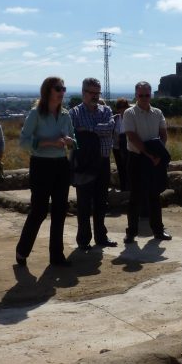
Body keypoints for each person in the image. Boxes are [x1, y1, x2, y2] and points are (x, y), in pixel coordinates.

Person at [15, 77, 74, 267]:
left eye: (63, 88)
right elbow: (23, 142)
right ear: (48, 90)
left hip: (61, 165)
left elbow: (74, 139)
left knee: (60, 211)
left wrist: (71, 142)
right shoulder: (36, 114)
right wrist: (49, 142)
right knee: (39, 210)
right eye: (58, 88)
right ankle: (22, 250)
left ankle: (57, 256)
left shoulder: (65, 114)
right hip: (41, 165)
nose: (62, 92)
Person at [69, 78, 116, 250]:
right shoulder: (74, 113)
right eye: (92, 93)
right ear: (83, 93)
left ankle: (101, 237)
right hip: (84, 163)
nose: (95, 96)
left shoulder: (106, 110)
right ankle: (83, 240)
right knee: (84, 203)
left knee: (101, 202)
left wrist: (88, 130)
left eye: (98, 93)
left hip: (102, 161)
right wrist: (97, 130)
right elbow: (73, 133)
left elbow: (109, 128)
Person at [123, 81, 172, 244]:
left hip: (154, 158)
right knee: (135, 196)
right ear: (136, 95)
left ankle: (158, 230)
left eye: (147, 95)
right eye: (141, 95)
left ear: (150, 95)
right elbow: (131, 136)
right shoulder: (130, 113)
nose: (144, 98)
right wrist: (149, 154)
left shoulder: (157, 112)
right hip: (137, 158)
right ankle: (131, 232)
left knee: (154, 195)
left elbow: (163, 134)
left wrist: (158, 152)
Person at [112, 98, 130, 191]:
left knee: (128, 168)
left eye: (124, 106)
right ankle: (123, 188)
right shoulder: (114, 118)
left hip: (128, 147)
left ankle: (129, 189)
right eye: (120, 107)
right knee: (120, 168)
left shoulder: (131, 118)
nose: (122, 109)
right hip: (116, 147)